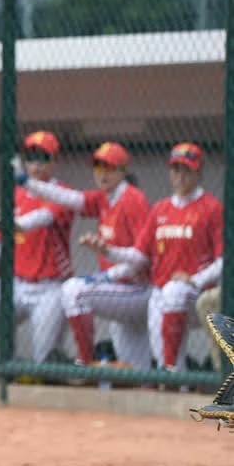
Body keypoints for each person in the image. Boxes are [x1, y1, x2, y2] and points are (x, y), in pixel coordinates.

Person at [87, 142, 223, 372]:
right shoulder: (160, 209)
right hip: (160, 295)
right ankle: (173, 380)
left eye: (186, 170)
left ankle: (169, 370)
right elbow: (139, 256)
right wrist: (108, 251)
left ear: (198, 171)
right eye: (175, 169)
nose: (180, 176)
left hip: (196, 295)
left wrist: (195, 280)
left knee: (174, 291)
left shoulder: (211, 207)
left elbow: (223, 259)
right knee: (163, 300)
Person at [15, 142, 152, 369]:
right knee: (137, 373)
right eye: (99, 168)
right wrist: (27, 182)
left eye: (109, 168)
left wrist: (107, 272)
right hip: (120, 290)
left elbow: (142, 258)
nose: (103, 174)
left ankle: (85, 362)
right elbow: (69, 198)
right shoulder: (104, 198)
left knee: (75, 291)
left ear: (123, 171)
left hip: (138, 288)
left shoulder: (133, 198)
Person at [0, 131, 75, 364]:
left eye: (43, 158)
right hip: (16, 286)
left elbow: (42, 217)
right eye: (31, 158)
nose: (36, 165)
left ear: (55, 161)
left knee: (43, 360)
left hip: (50, 288)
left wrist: (15, 225)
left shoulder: (62, 193)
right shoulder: (16, 194)